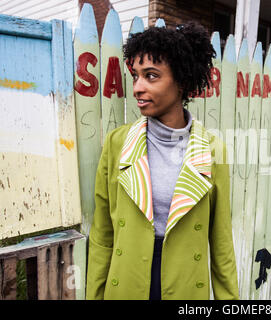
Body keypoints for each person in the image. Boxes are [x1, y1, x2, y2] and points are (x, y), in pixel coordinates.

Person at [86, 21, 239, 300]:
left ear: (182, 81)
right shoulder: (117, 144)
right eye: (136, 76)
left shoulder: (213, 151)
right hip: (127, 282)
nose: (137, 88)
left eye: (152, 76)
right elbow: (102, 237)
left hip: (185, 284)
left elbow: (221, 244)